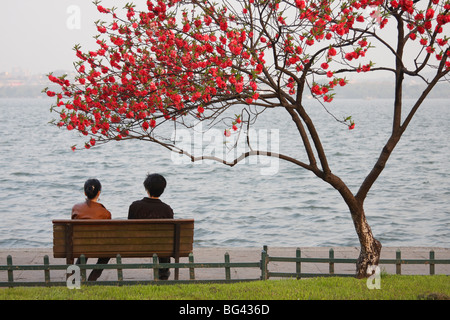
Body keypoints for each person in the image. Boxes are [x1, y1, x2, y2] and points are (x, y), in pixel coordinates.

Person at [128, 173, 173, 280]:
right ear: (163, 190)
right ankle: (163, 274)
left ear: (146, 188)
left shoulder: (135, 206)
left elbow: (129, 228)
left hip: (138, 245)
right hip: (161, 247)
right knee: (164, 242)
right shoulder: (167, 209)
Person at [72, 178, 111, 281]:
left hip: (78, 246)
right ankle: (92, 279)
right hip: (97, 247)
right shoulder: (105, 213)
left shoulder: (76, 208)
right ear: (99, 193)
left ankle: (74, 278)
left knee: (84, 248)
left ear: (85, 192)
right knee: (108, 253)